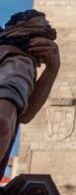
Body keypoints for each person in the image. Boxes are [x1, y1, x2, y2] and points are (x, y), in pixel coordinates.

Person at [0, 9, 60, 177]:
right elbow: (3, 122)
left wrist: (52, 70)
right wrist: (53, 68)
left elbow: (24, 115)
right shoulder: (19, 62)